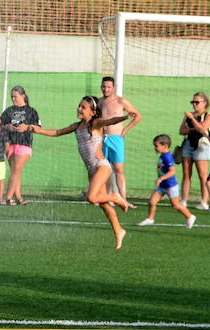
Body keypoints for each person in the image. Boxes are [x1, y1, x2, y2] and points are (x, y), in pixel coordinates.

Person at [25, 96, 133, 249]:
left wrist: (125, 117)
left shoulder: (94, 124)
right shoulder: (77, 126)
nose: (79, 109)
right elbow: (57, 132)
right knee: (102, 203)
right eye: (79, 106)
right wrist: (37, 130)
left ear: (93, 112)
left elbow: (109, 121)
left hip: (102, 166)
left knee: (91, 197)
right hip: (91, 169)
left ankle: (115, 197)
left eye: (83, 107)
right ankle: (118, 230)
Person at [137, 134, 196, 229]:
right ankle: (150, 219)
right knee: (152, 201)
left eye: (156, 146)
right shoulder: (163, 155)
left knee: (175, 205)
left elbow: (172, 171)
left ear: (165, 146)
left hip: (170, 185)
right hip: (162, 186)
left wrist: (161, 178)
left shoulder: (167, 157)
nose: (155, 148)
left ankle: (190, 216)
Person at [98, 76, 142, 200]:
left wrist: (126, 129)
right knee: (104, 169)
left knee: (118, 169)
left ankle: (123, 199)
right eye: (103, 86)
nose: (105, 89)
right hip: (102, 139)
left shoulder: (121, 101)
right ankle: (107, 198)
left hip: (116, 139)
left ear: (114, 88)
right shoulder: (99, 102)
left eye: (108, 87)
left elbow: (138, 116)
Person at [0, 87, 40, 205]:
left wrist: (27, 127)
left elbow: (38, 127)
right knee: (15, 171)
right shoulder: (8, 111)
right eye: (12, 96)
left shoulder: (31, 111)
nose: (13, 99)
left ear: (23, 96)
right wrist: (7, 127)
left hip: (24, 144)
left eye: (15, 96)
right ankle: (18, 197)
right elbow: (0, 125)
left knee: (15, 170)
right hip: (10, 144)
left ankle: (7, 197)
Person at [179, 92, 210, 210]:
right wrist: (192, 126)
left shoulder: (208, 115)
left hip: (202, 145)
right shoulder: (189, 115)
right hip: (188, 144)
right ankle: (183, 200)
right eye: (193, 102)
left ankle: (204, 201)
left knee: (202, 175)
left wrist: (191, 120)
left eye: (197, 102)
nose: (194, 104)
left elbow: (202, 129)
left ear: (204, 103)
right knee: (186, 174)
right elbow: (181, 130)